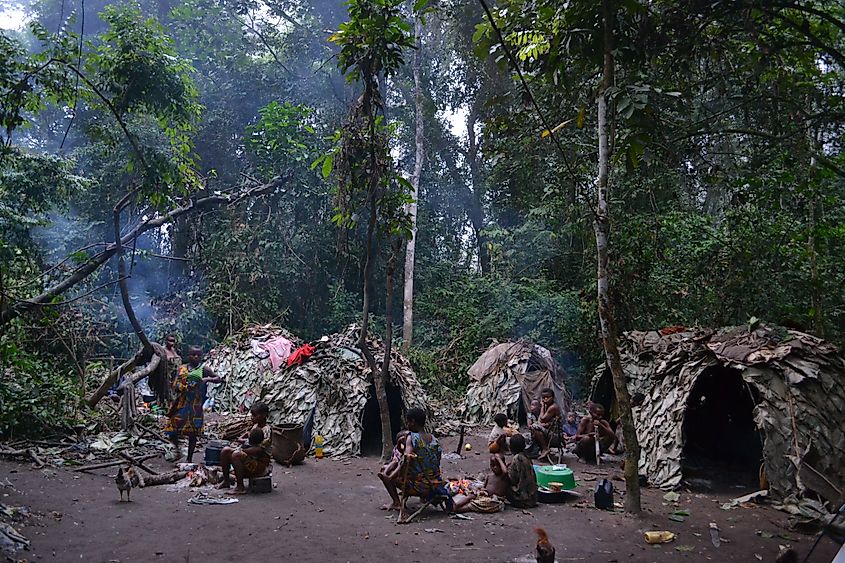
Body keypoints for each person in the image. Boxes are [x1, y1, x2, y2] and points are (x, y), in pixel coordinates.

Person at [378, 408, 448, 512]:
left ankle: (396, 503)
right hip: (434, 484)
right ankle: (421, 498)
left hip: (417, 486)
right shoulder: (435, 440)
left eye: (408, 422)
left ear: (413, 422)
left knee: (384, 470)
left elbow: (407, 456)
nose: (407, 424)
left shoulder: (411, 437)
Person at [164, 346, 222, 462]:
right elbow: (175, 385)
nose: (196, 357)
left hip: (196, 405)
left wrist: (207, 380)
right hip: (181, 403)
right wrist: (182, 386)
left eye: (199, 355)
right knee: (172, 429)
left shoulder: (203, 369)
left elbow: (218, 378)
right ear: (188, 355)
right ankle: (177, 449)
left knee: (193, 433)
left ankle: (189, 459)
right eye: (193, 354)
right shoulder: (182, 368)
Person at [218, 402, 273, 494]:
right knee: (225, 451)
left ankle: (240, 487)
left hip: (260, 465)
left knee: (236, 455)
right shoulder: (255, 426)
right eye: (252, 415)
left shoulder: (266, 431)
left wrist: (241, 450)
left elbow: (259, 450)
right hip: (252, 460)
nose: (252, 417)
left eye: (255, 415)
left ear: (264, 415)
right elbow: (247, 437)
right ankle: (226, 481)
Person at [501, 434, 537, 508]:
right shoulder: (527, 456)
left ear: (511, 447)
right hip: (533, 497)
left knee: (502, 481)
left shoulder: (517, 458)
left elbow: (512, 479)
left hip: (523, 499)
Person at [530, 388, 561, 460]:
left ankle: (545, 448)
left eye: (548, 397)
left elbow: (542, 419)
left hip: (555, 435)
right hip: (550, 432)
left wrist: (542, 407)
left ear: (552, 397)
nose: (545, 399)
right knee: (533, 430)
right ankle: (537, 451)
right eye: (543, 397)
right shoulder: (548, 406)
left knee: (535, 428)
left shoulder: (553, 407)